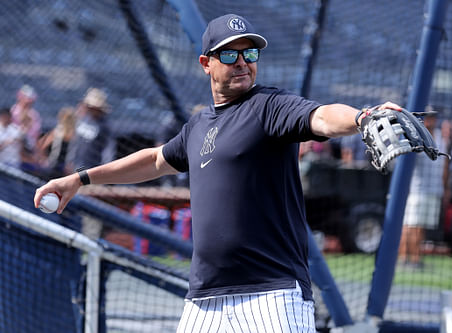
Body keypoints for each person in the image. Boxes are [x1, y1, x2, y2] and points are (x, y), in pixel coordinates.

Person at [35, 14, 402, 332]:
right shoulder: (198, 126)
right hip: (205, 299)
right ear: (206, 63)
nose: (242, 62)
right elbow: (155, 160)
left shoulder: (269, 106)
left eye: (250, 53)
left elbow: (320, 117)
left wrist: (361, 117)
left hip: (270, 295)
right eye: (230, 54)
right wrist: (80, 179)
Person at [399, 112, 447, 269]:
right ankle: (409, 258)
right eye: (428, 117)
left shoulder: (441, 137)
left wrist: (444, 187)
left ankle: (413, 257)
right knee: (412, 225)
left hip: (433, 189)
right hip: (417, 189)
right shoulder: (416, 136)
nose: (431, 120)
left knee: (420, 226)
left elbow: (444, 166)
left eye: (433, 117)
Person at [65, 87, 113, 172]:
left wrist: (106, 169)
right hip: (78, 165)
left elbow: (108, 150)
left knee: (86, 183)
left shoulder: (104, 126)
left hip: (93, 168)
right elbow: (75, 142)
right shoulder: (82, 120)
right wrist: (69, 161)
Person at [37, 106, 76, 179]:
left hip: (63, 166)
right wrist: (43, 159)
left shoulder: (74, 135)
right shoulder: (58, 131)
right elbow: (42, 145)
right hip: (53, 164)